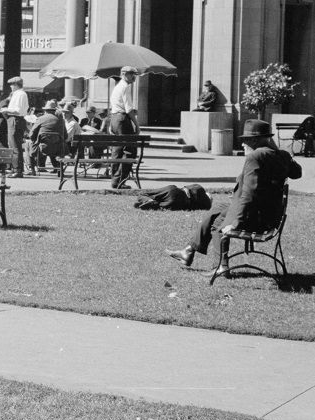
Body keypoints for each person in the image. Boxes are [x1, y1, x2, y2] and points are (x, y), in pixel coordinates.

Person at [166, 120, 302, 277]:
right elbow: (297, 173)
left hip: (257, 218)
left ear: (255, 140)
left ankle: (221, 266)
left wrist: (234, 223)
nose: (243, 144)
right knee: (217, 208)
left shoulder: (255, 157)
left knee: (218, 224)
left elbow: (249, 194)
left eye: (245, 140)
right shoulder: (280, 155)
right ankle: (188, 251)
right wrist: (279, 153)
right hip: (268, 215)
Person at [107, 65, 140, 189]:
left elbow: (117, 107)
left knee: (117, 150)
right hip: (122, 119)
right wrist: (137, 125)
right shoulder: (125, 87)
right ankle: (120, 180)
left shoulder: (117, 87)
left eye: (134, 74)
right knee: (130, 151)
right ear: (124, 74)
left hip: (115, 118)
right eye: (131, 74)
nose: (134, 77)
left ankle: (115, 180)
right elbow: (129, 109)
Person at [28, 99, 66, 175]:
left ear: (46, 110)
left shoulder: (41, 119)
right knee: (54, 143)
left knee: (28, 145)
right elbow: (65, 135)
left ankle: (32, 169)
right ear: (54, 111)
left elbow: (31, 134)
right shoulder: (61, 120)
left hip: (43, 148)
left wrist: (35, 140)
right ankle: (58, 169)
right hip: (58, 149)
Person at [1, 76, 30, 178]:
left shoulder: (20, 94)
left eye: (12, 85)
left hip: (15, 119)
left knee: (14, 146)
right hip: (16, 120)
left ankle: (17, 170)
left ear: (17, 85)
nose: (11, 87)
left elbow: (17, 110)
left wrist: (6, 110)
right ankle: (16, 168)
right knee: (13, 145)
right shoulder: (19, 94)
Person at [134, 184, 212, 211]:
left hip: (175, 191)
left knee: (143, 194)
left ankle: (149, 199)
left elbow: (185, 188)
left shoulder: (199, 187)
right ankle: (154, 204)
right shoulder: (205, 206)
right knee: (159, 206)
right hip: (179, 204)